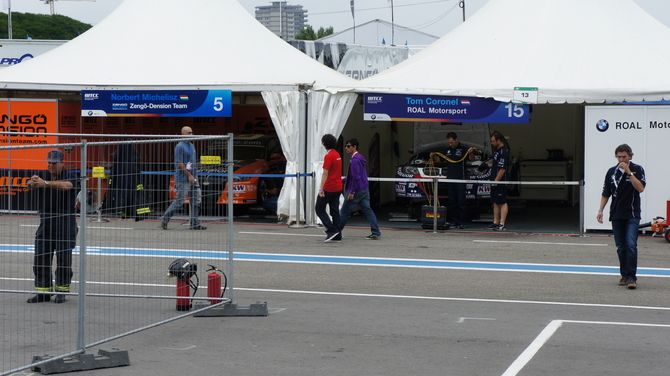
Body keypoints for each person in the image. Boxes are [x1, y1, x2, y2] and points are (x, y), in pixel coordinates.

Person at [26, 149, 79, 304]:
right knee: (41, 256)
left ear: (62, 163)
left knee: (63, 257)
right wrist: (32, 181)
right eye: (49, 162)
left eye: (54, 163)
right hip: (46, 220)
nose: (50, 165)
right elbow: (30, 185)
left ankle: (62, 291)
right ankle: (43, 291)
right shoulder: (42, 173)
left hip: (65, 221)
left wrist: (45, 183)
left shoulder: (70, 175)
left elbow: (66, 186)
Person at [597, 144, 646, 289]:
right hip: (617, 214)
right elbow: (606, 193)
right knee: (621, 247)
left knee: (631, 245)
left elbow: (640, 188)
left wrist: (629, 172)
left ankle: (632, 278)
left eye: (624, 156)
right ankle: (624, 275)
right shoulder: (611, 172)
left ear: (630, 156)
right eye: (619, 157)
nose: (621, 159)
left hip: (632, 214)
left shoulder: (637, 169)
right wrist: (600, 210)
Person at [161, 126, 207, 230]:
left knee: (197, 199)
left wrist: (194, 174)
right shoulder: (180, 146)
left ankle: (195, 223)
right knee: (180, 200)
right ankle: (165, 219)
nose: (192, 134)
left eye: (192, 132)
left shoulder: (192, 145)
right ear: (183, 134)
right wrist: (189, 175)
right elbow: (180, 163)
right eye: (189, 133)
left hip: (193, 177)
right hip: (184, 178)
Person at [430, 132, 475, 229]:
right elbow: (440, 160)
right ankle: (454, 221)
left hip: (460, 179)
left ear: (456, 140)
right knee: (452, 201)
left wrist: (471, 153)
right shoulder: (446, 150)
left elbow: (472, 159)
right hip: (450, 179)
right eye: (449, 142)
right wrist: (433, 156)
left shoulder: (464, 148)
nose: (450, 144)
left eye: (452, 142)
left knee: (461, 202)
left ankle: (462, 222)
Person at [339, 138, 382, 240]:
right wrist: (343, 180)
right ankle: (376, 231)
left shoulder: (354, 161)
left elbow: (356, 177)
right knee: (368, 210)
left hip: (356, 190)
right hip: (364, 189)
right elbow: (356, 175)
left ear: (355, 147)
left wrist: (352, 191)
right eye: (345, 146)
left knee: (344, 211)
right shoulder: (360, 158)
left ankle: (336, 231)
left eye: (348, 146)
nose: (346, 148)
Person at [316, 134, 343, 242]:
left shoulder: (329, 156)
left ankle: (332, 229)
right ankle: (338, 235)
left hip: (329, 187)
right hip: (337, 187)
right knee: (335, 211)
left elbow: (325, 173)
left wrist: (321, 189)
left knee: (319, 208)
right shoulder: (337, 154)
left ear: (324, 144)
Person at [486, 131, 509, 231]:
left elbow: (502, 169)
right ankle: (495, 222)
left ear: (499, 141)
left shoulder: (503, 152)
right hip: (494, 181)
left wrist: (496, 181)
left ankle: (502, 223)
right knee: (495, 201)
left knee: (502, 202)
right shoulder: (497, 152)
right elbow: (495, 165)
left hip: (500, 181)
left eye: (493, 141)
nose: (492, 143)